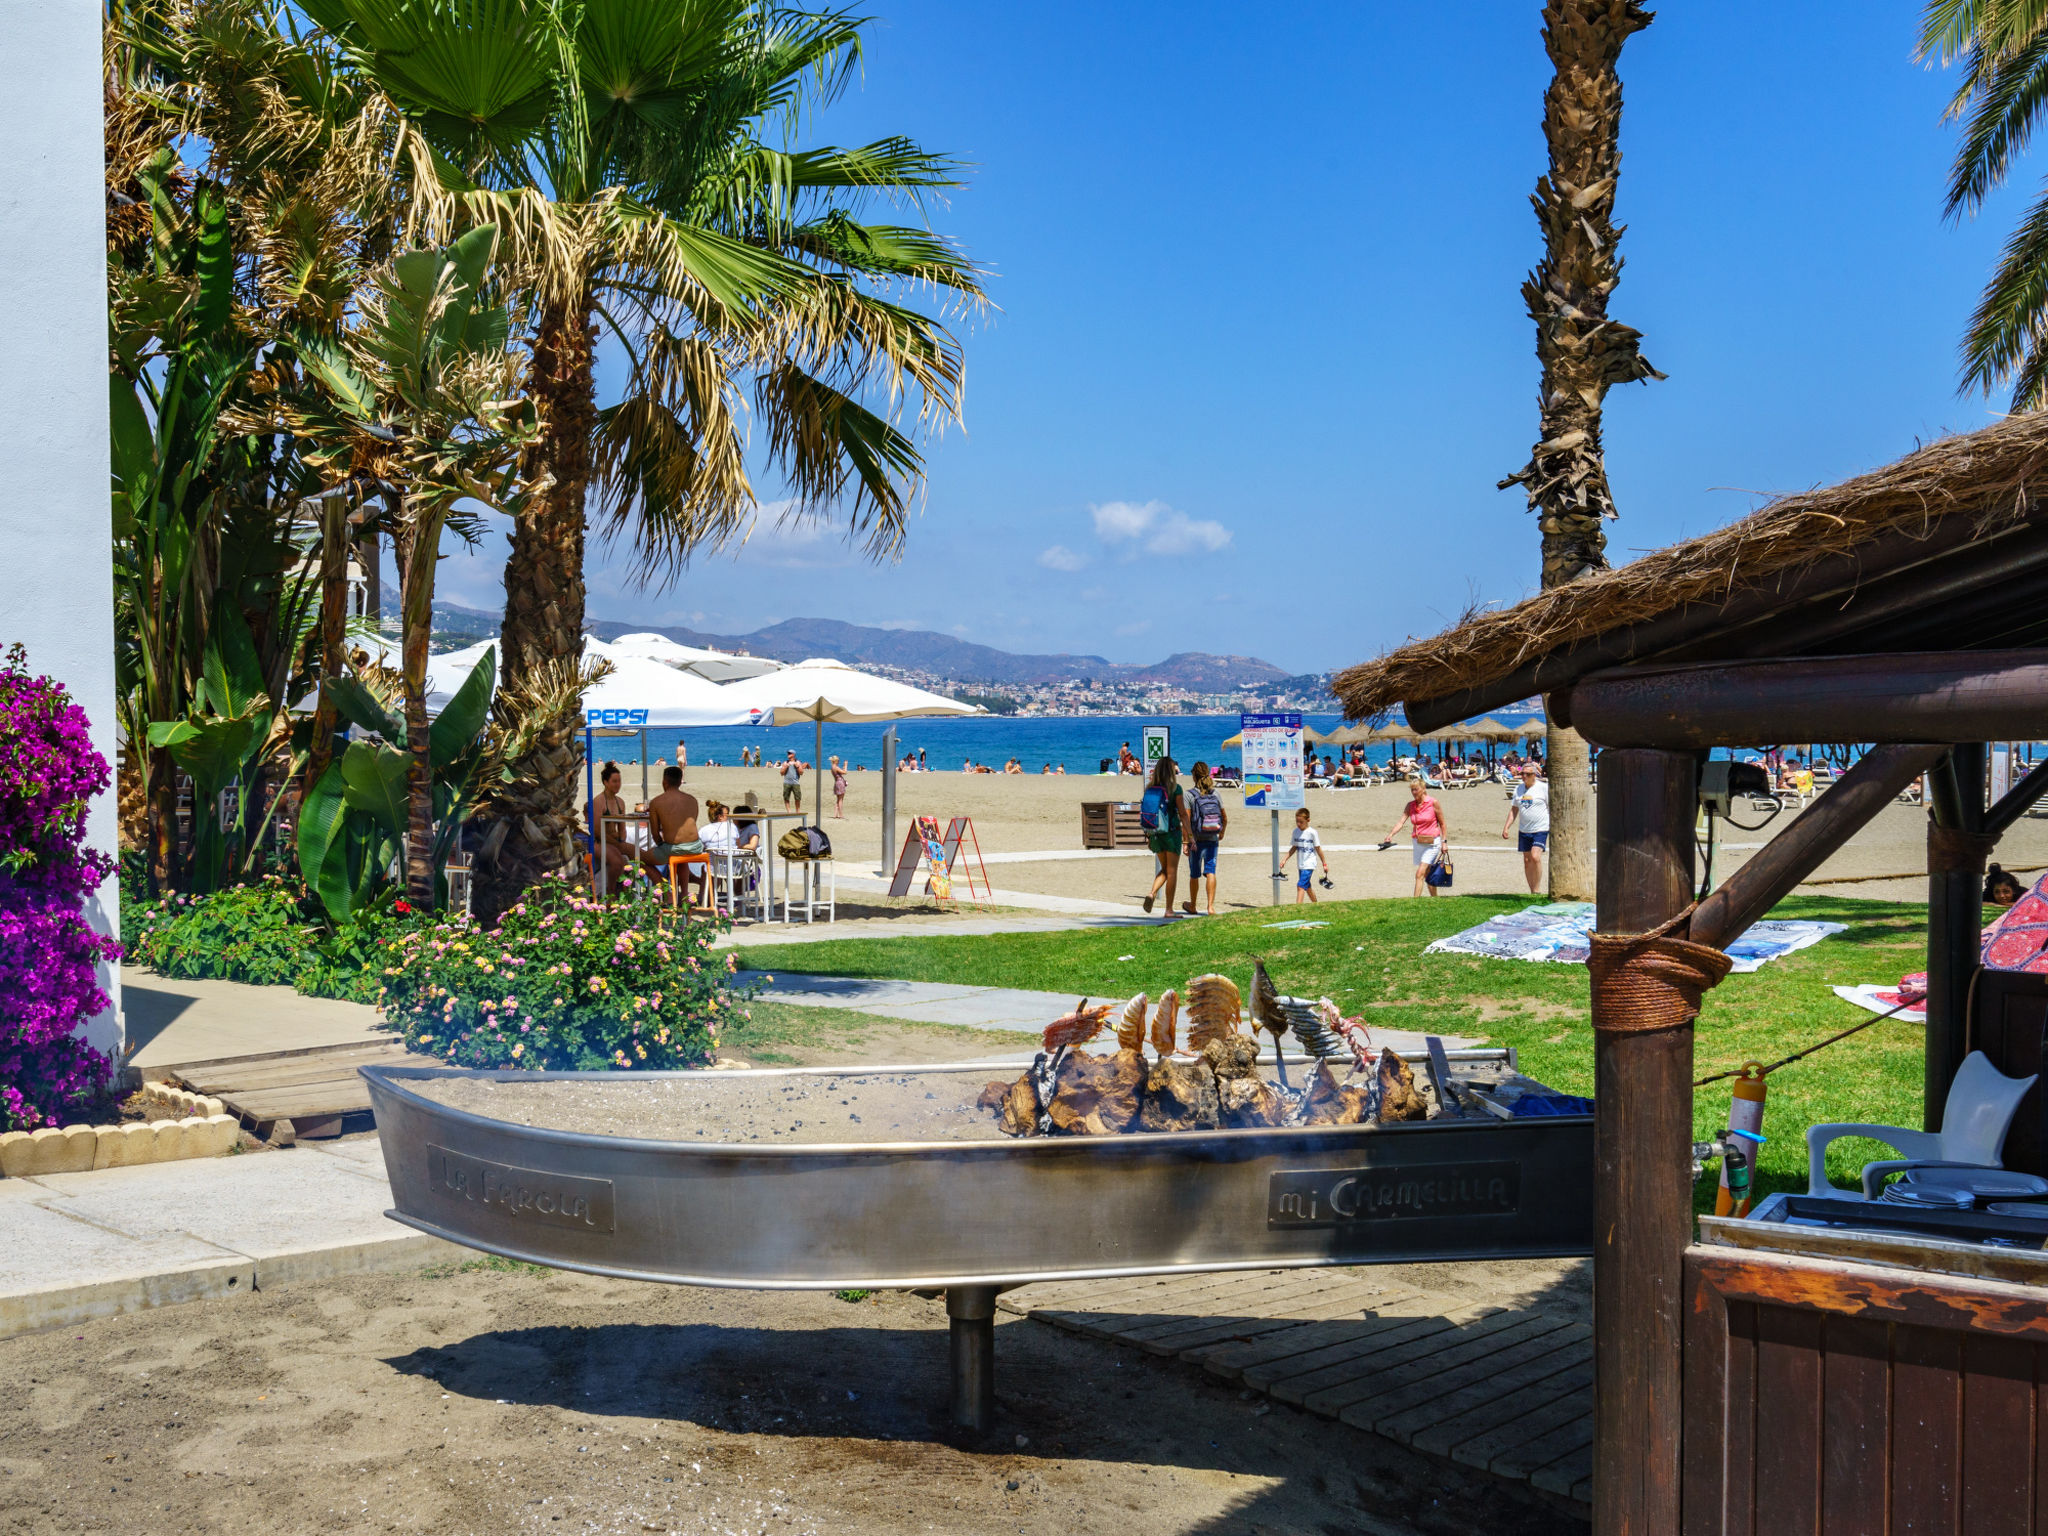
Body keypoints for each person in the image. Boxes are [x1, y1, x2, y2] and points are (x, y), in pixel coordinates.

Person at [639, 766, 704, 907]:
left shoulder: (656, 802)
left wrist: (661, 843)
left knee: (641, 860)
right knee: (681, 857)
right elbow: (691, 824)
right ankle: (684, 894)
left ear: (664, 782)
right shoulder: (692, 799)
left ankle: (667, 891)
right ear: (681, 781)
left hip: (674, 848)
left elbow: (655, 834)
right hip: (696, 846)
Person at [1141, 755, 1191, 915]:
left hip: (1155, 834)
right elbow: (1183, 814)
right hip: (1171, 833)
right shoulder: (1175, 789)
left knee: (1164, 868)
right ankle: (1169, 909)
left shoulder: (1150, 788)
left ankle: (1152, 893)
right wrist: (1189, 835)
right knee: (1171, 871)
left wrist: (1148, 837)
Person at [1387, 777, 1448, 898]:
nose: (1414, 792)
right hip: (1418, 842)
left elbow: (1442, 824)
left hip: (1432, 843)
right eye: (1412, 790)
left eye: (1416, 789)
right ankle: (1435, 899)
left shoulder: (1433, 802)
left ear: (1423, 789)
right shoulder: (1410, 805)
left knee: (1419, 873)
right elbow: (1401, 822)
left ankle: (1415, 902)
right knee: (1426, 874)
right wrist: (1390, 835)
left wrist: (1444, 842)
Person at [1180, 760, 1228, 915]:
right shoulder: (1215, 793)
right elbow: (1224, 817)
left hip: (1196, 841)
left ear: (1194, 776)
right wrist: (1221, 833)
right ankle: (1210, 907)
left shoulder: (1189, 795)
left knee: (1194, 874)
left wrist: (1186, 841)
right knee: (1211, 871)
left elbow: (1186, 820)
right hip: (1212, 838)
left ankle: (1193, 905)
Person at [1501, 760, 1550, 894]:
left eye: (1527, 774)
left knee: (1535, 857)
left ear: (1534, 775)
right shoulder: (1519, 789)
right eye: (1522, 773)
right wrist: (1506, 827)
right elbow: (1514, 810)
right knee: (1527, 860)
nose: (1524, 776)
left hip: (1541, 827)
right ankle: (1532, 891)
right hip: (1524, 829)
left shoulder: (1543, 788)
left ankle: (1538, 888)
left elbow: (1552, 807)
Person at [593, 762, 633, 897]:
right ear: (605, 782)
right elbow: (597, 830)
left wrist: (621, 840)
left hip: (615, 841)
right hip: (598, 842)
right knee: (617, 861)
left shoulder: (620, 802)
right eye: (614, 781)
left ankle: (626, 893)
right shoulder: (598, 802)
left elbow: (622, 828)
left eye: (619, 781)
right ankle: (611, 892)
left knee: (637, 857)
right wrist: (617, 843)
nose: (618, 784)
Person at [1279, 806, 1329, 904]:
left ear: (1308, 820)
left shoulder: (1312, 833)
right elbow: (1294, 848)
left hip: (1310, 864)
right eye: (1297, 821)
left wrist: (1324, 864)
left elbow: (1318, 849)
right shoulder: (1296, 832)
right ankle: (1316, 904)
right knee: (1307, 886)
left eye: (1301, 822)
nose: (1298, 824)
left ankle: (1298, 908)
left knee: (1300, 886)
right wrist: (1284, 860)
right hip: (1300, 864)